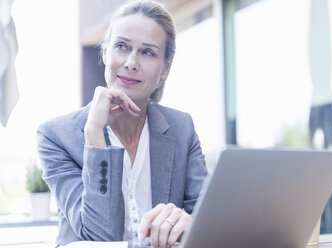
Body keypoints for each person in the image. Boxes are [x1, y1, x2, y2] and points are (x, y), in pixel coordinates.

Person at [36, 1, 208, 247]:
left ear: (166, 67)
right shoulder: (57, 136)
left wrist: (190, 221)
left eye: (147, 52)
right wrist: (94, 134)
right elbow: (100, 237)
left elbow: (207, 218)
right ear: (105, 51)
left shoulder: (182, 128)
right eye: (121, 46)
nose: (130, 62)